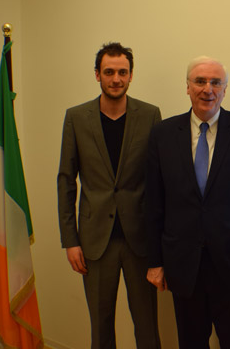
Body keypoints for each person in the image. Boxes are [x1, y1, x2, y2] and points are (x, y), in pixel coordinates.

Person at [145, 56, 230, 349]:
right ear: (187, 87)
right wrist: (155, 262)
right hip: (184, 267)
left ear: (225, 89)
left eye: (216, 82)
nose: (208, 89)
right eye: (200, 81)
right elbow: (154, 203)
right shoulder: (163, 135)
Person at [57, 42, 161, 348]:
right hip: (93, 241)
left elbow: (158, 181)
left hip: (139, 240)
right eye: (109, 72)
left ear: (131, 76)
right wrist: (70, 240)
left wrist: (160, 241)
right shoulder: (76, 117)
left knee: (146, 325)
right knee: (100, 327)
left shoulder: (150, 115)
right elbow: (66, 180)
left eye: (122, 72)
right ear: (97, 75)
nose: (116, 78)